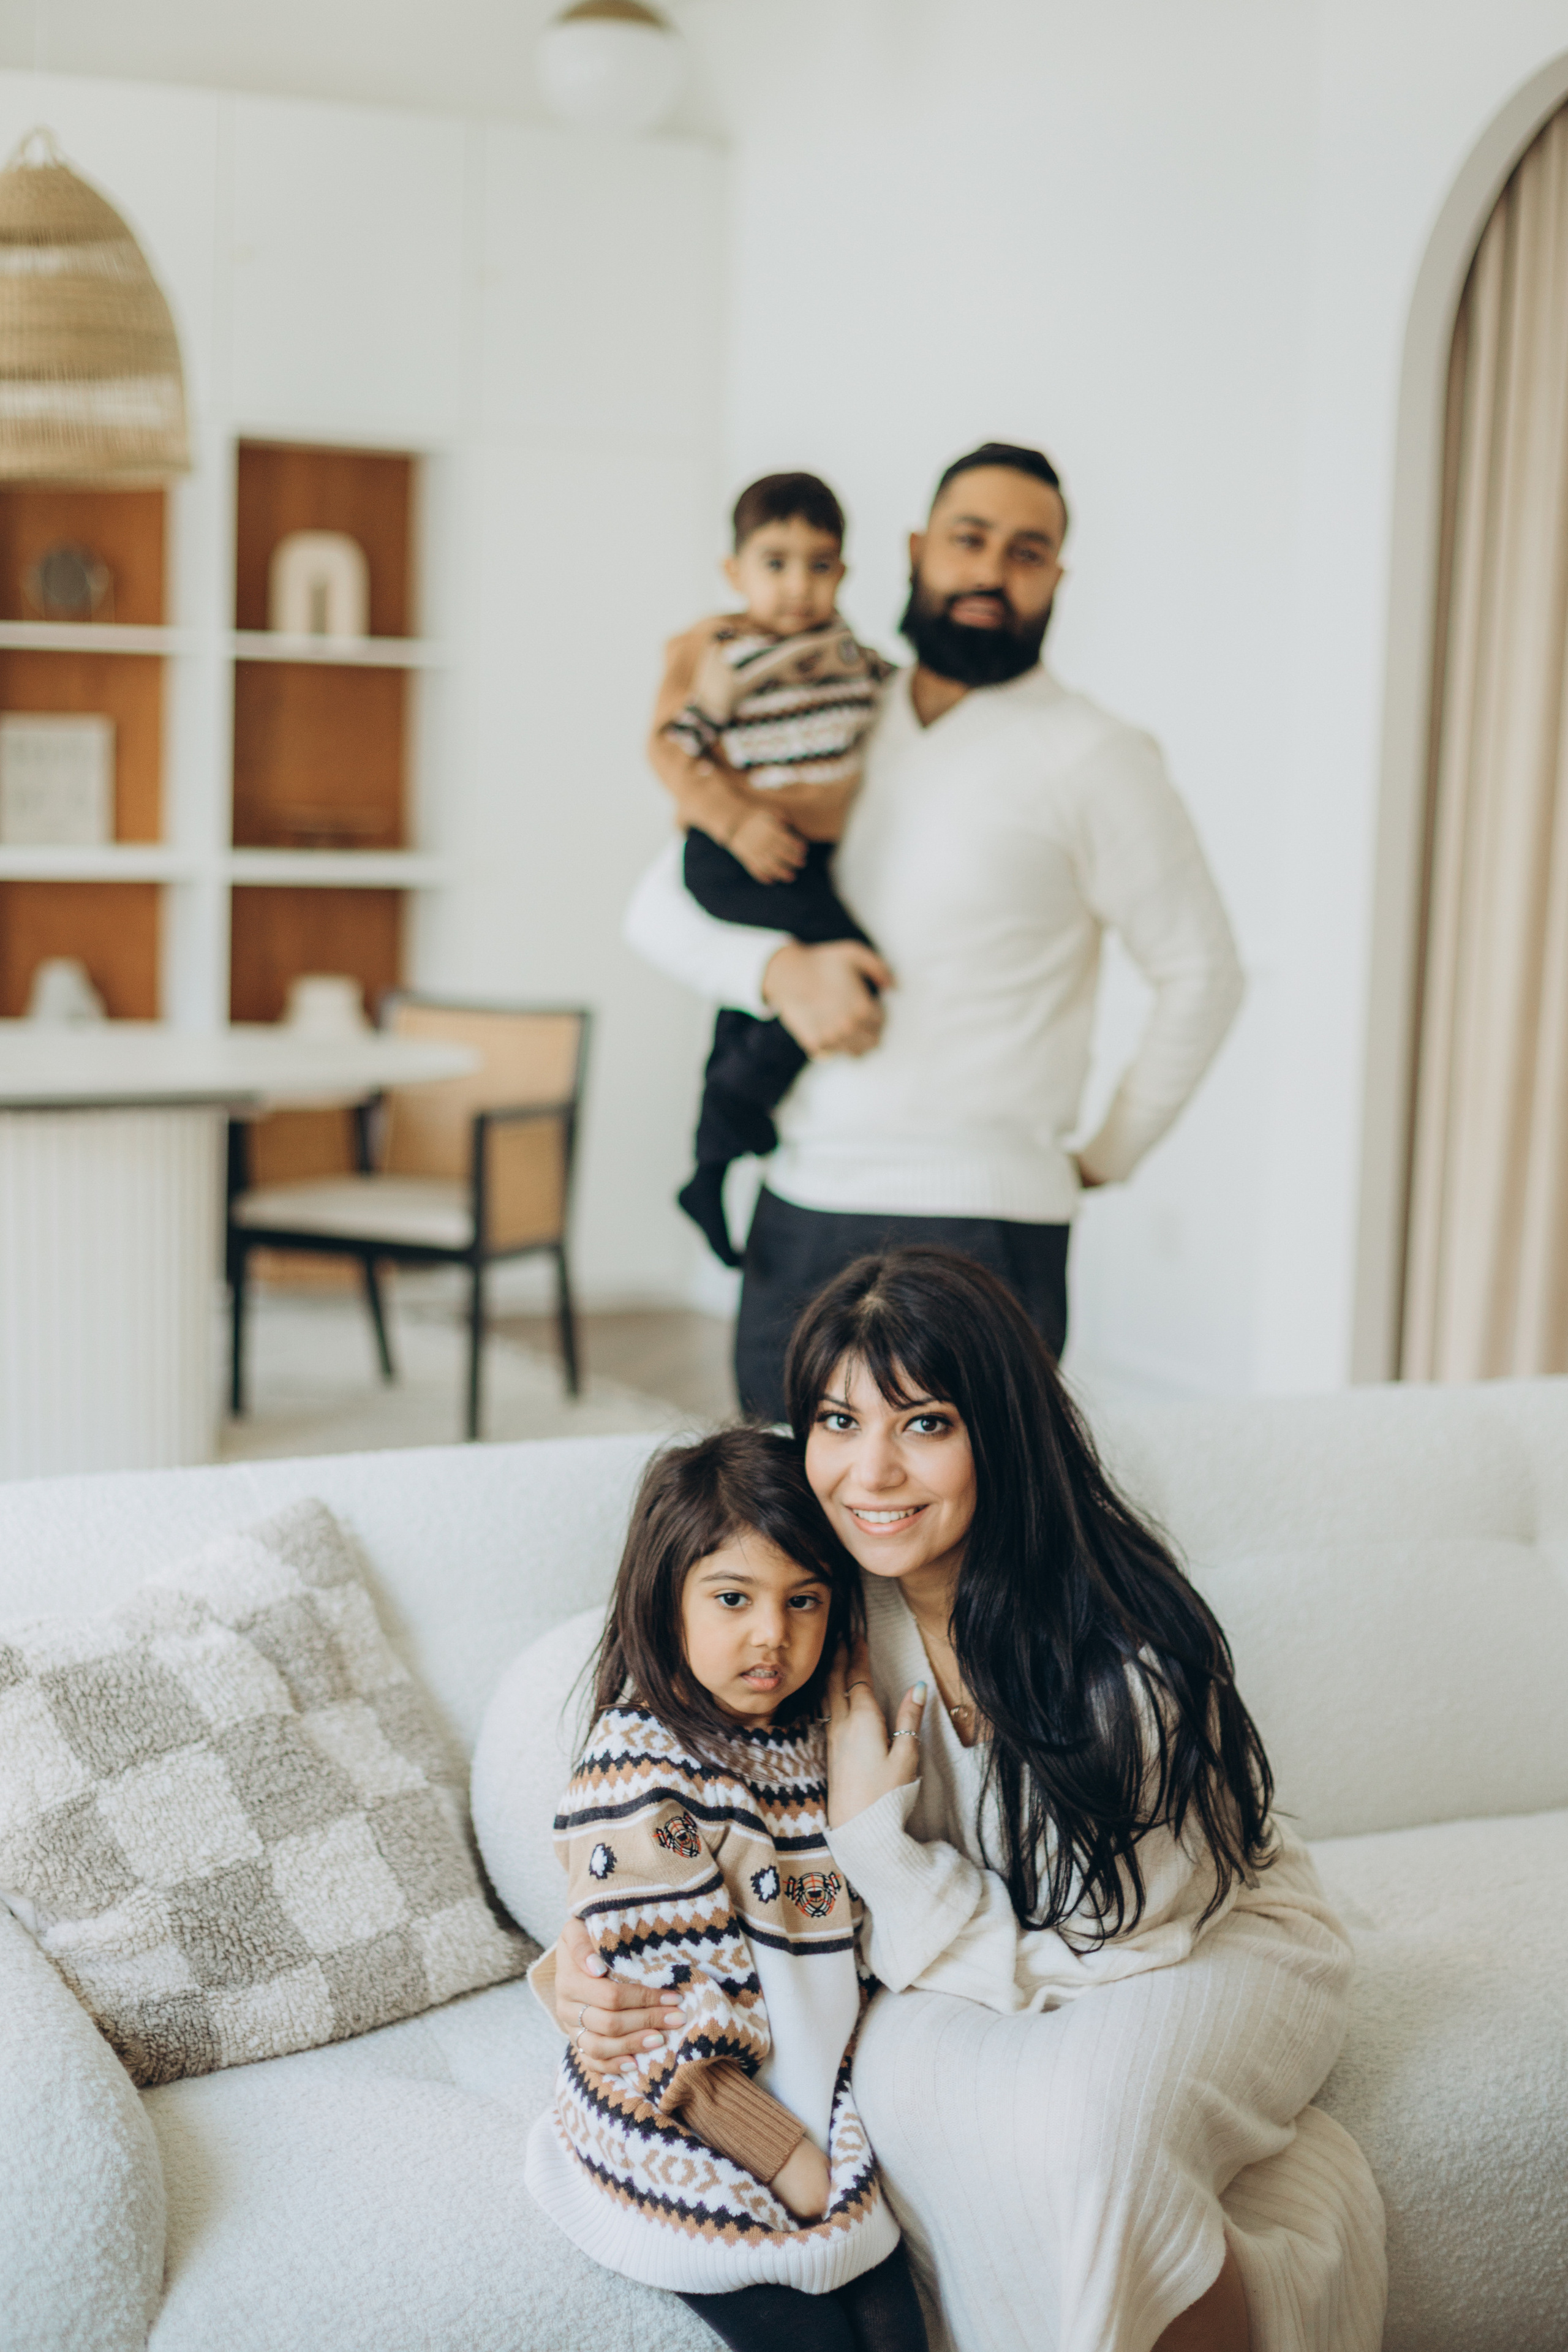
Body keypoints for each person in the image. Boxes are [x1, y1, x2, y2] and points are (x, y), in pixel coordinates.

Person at [546, 1251, 1387, 2352]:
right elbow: (641, 1727)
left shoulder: (1120, 1664)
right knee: (904, 2127)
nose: (872, 1471)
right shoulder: (818, 1602)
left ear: (999, 1431)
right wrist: (590, 1959)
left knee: (1093, 2142)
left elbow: (1115, 1948)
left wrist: (875, 1849)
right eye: (839, 1422)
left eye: (926, 1423)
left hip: (1187, 1947)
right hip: (956, 1963)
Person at [627, 442, 1244, 1420]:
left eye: (1026, 552)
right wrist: (780, 971)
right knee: (783, 1499)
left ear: (1057, 578)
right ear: (917, 550)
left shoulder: (1098, 757)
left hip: (986, 1220)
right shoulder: (834, 710)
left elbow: (1202, 972)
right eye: (970, 539)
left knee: (971, 1512)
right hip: (803, 1199)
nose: (992, 572)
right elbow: (658, 906)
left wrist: (1107, 1155)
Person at [526, 1425, 930, 2352]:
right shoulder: (640, 1772)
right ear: (665, 1601)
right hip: (682, 2119)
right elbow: (661, 2022)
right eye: (733, 1598)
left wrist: (871, 1805)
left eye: (804, 1600)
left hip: (805, 2103)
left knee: (898, 2327)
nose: (772, 1635)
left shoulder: (803, 1741)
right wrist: (787, 2159)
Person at [650, 472, 895, 1268]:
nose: (798, 586)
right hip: (738, 853)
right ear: (736, 571)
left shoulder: (848, 654)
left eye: (819, 565)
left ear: (844, 572)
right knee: (853, 970)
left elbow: (897, 703)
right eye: (776, 564)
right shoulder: (723, 653)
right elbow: (673, 750)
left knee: (744, 1012)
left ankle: (708, 1170)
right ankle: (738, 1104)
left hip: (802, 857)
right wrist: (735, 823)